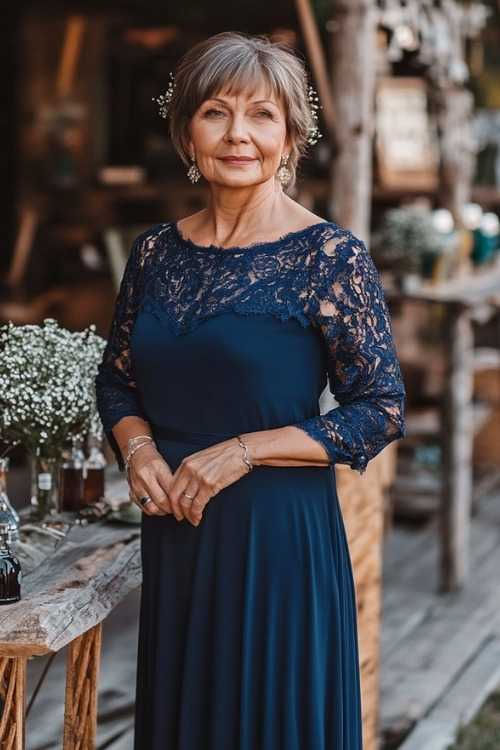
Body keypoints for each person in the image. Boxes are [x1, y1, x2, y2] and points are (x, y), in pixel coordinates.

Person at [96, 31, 405, 750]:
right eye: (216, 112)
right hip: (177, 533)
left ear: (290, 135)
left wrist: (241, 452)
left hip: (278, 541)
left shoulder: (328, 256)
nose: (239, 134)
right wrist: (139, 452)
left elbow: (379, 410)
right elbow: (117, 379)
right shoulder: (154, 253)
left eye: (262, 114)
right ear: (187, 133)